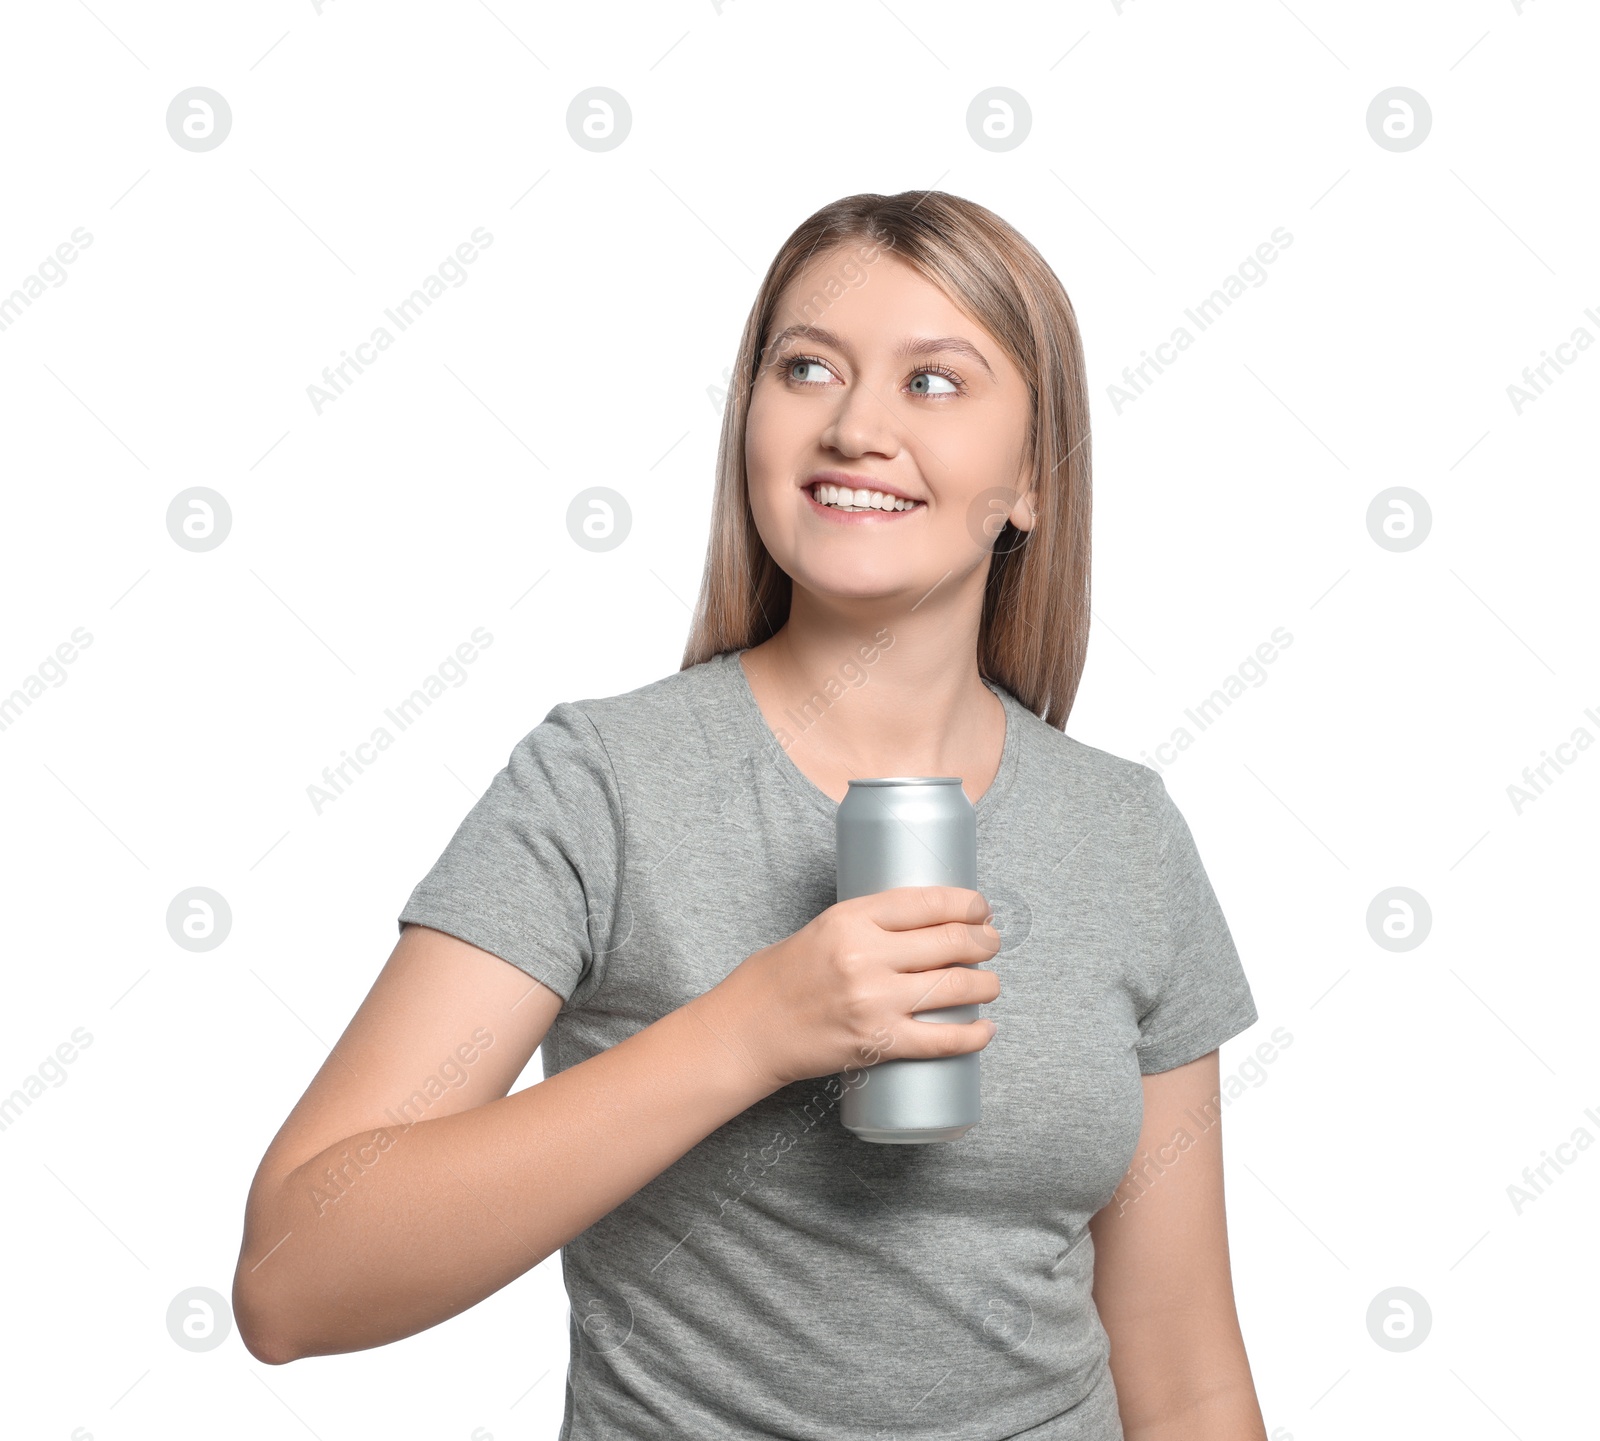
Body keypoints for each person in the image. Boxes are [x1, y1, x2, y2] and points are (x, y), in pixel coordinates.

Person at [233, 190, 1269, 1440]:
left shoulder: (1126, 833)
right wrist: (751, 1031)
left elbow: (1183, 1362)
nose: (854, 425)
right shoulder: (604, 785)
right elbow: (294, 1278)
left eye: (934, 383)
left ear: (1030, 484)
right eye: (807, 367)